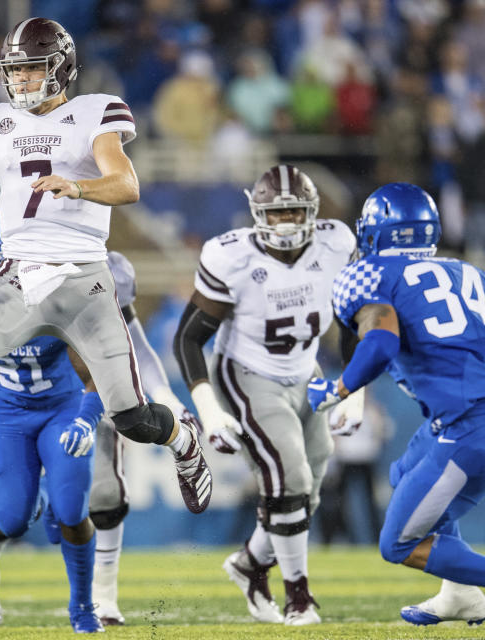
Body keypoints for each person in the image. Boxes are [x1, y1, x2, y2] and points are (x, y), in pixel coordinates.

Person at [0, 22, 212, 614]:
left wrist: (80, 190)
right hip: (20, 277)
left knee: (128, 416)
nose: (20, 77)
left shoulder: (94, 112)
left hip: (84, 280)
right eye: (15, 68)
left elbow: (125, 184)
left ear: (61, 67)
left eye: (31, 66)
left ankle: (184, 442)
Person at [0, 216, 201, 629]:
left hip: (65, 404)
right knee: (10, 519)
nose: (3, 281)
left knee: (78, 510)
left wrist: (87, 417)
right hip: (5, 409)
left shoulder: (71, 285)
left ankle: (86, 606)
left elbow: (104, 368)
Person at [174, 165, 359, 625]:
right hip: (247, 372)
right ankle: (298, 596)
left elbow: (357, 318)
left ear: (313, 212)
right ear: (258, 215)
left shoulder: (336, 245)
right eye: (276, 214)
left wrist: (354, 385)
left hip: (306, 371)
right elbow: (188, 339)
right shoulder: (232, 256)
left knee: (308, 490)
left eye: (295, 210)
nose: (287, 222)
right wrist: (208, 408)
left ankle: (250, 563)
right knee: (289, 478)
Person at [308, 182, 485, 626]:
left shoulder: (367, 273)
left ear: (376, 231)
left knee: (397, 544)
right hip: (460, 416)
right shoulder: (466, 271)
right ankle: (461, 594)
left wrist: (338, 390)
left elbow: (382, 340)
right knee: (403, 472)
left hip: (469, 421)